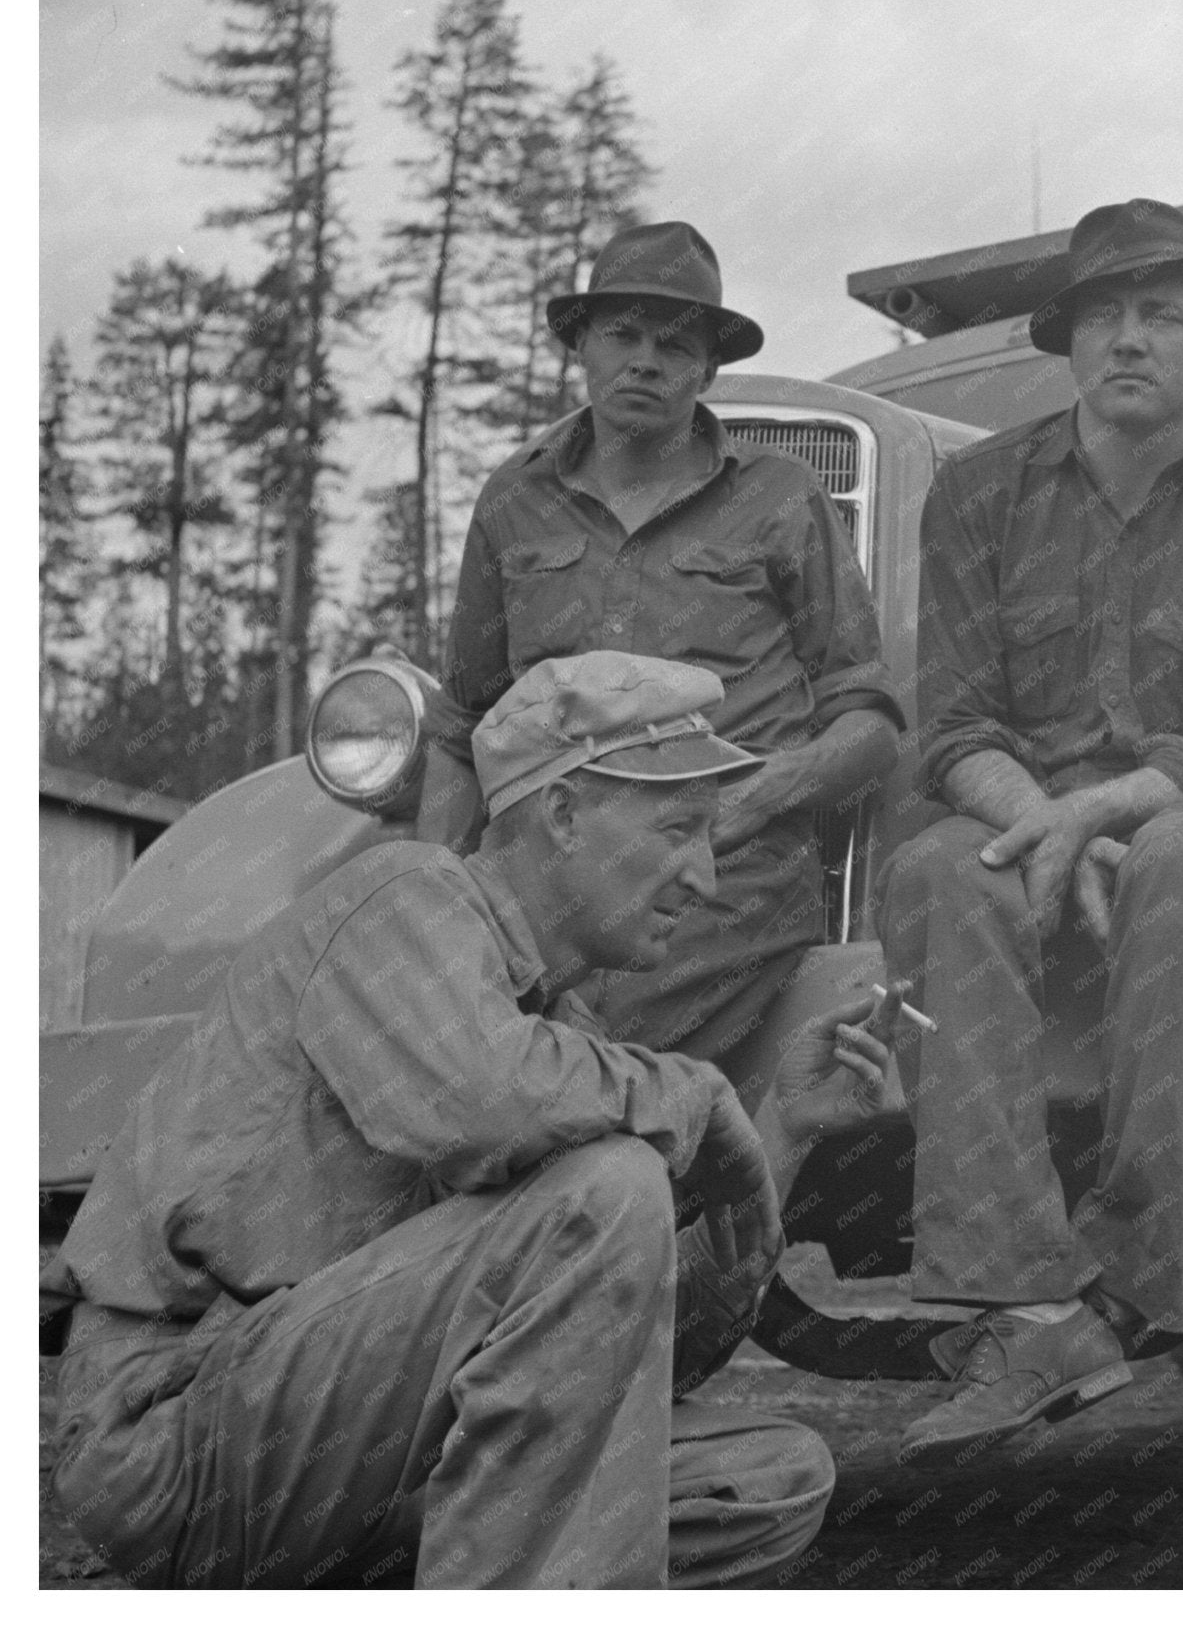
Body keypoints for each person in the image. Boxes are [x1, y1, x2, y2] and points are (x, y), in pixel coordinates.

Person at [45, 653, 907, 1589]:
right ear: (564, 814)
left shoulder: (547, 1025)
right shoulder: (404, 897)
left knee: (767, 1477)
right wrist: (696, 1101)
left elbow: (642, 1355)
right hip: (177, 1429)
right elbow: (486, 1104)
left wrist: (780, 1130)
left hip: (342, 1440)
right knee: (607, 1188)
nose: (704, 877)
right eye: (677, 830)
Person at [880, 197, 1183, 1464]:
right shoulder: (976, 491)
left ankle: (1130, 1289)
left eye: (1161, 315)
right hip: (1019, 819)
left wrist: (1091, 815)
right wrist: (1043, 826)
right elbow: (954, 725)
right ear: (1069, 342)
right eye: (1103, 315)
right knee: (940, 872)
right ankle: (1021, 1299)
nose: (1128, 338)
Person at [418, 220, 905, 1069]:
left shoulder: (784, 500)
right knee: (405, 1019)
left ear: (709, 369)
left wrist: (751, 802)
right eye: (623, 335)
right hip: (549, 874)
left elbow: (869, 730)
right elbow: (464, 732)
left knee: (564, 1058)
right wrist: (426, 909)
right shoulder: (512, 502)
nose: (645, 360)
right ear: (581, 347)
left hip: (714, 879)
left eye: (675, 345)